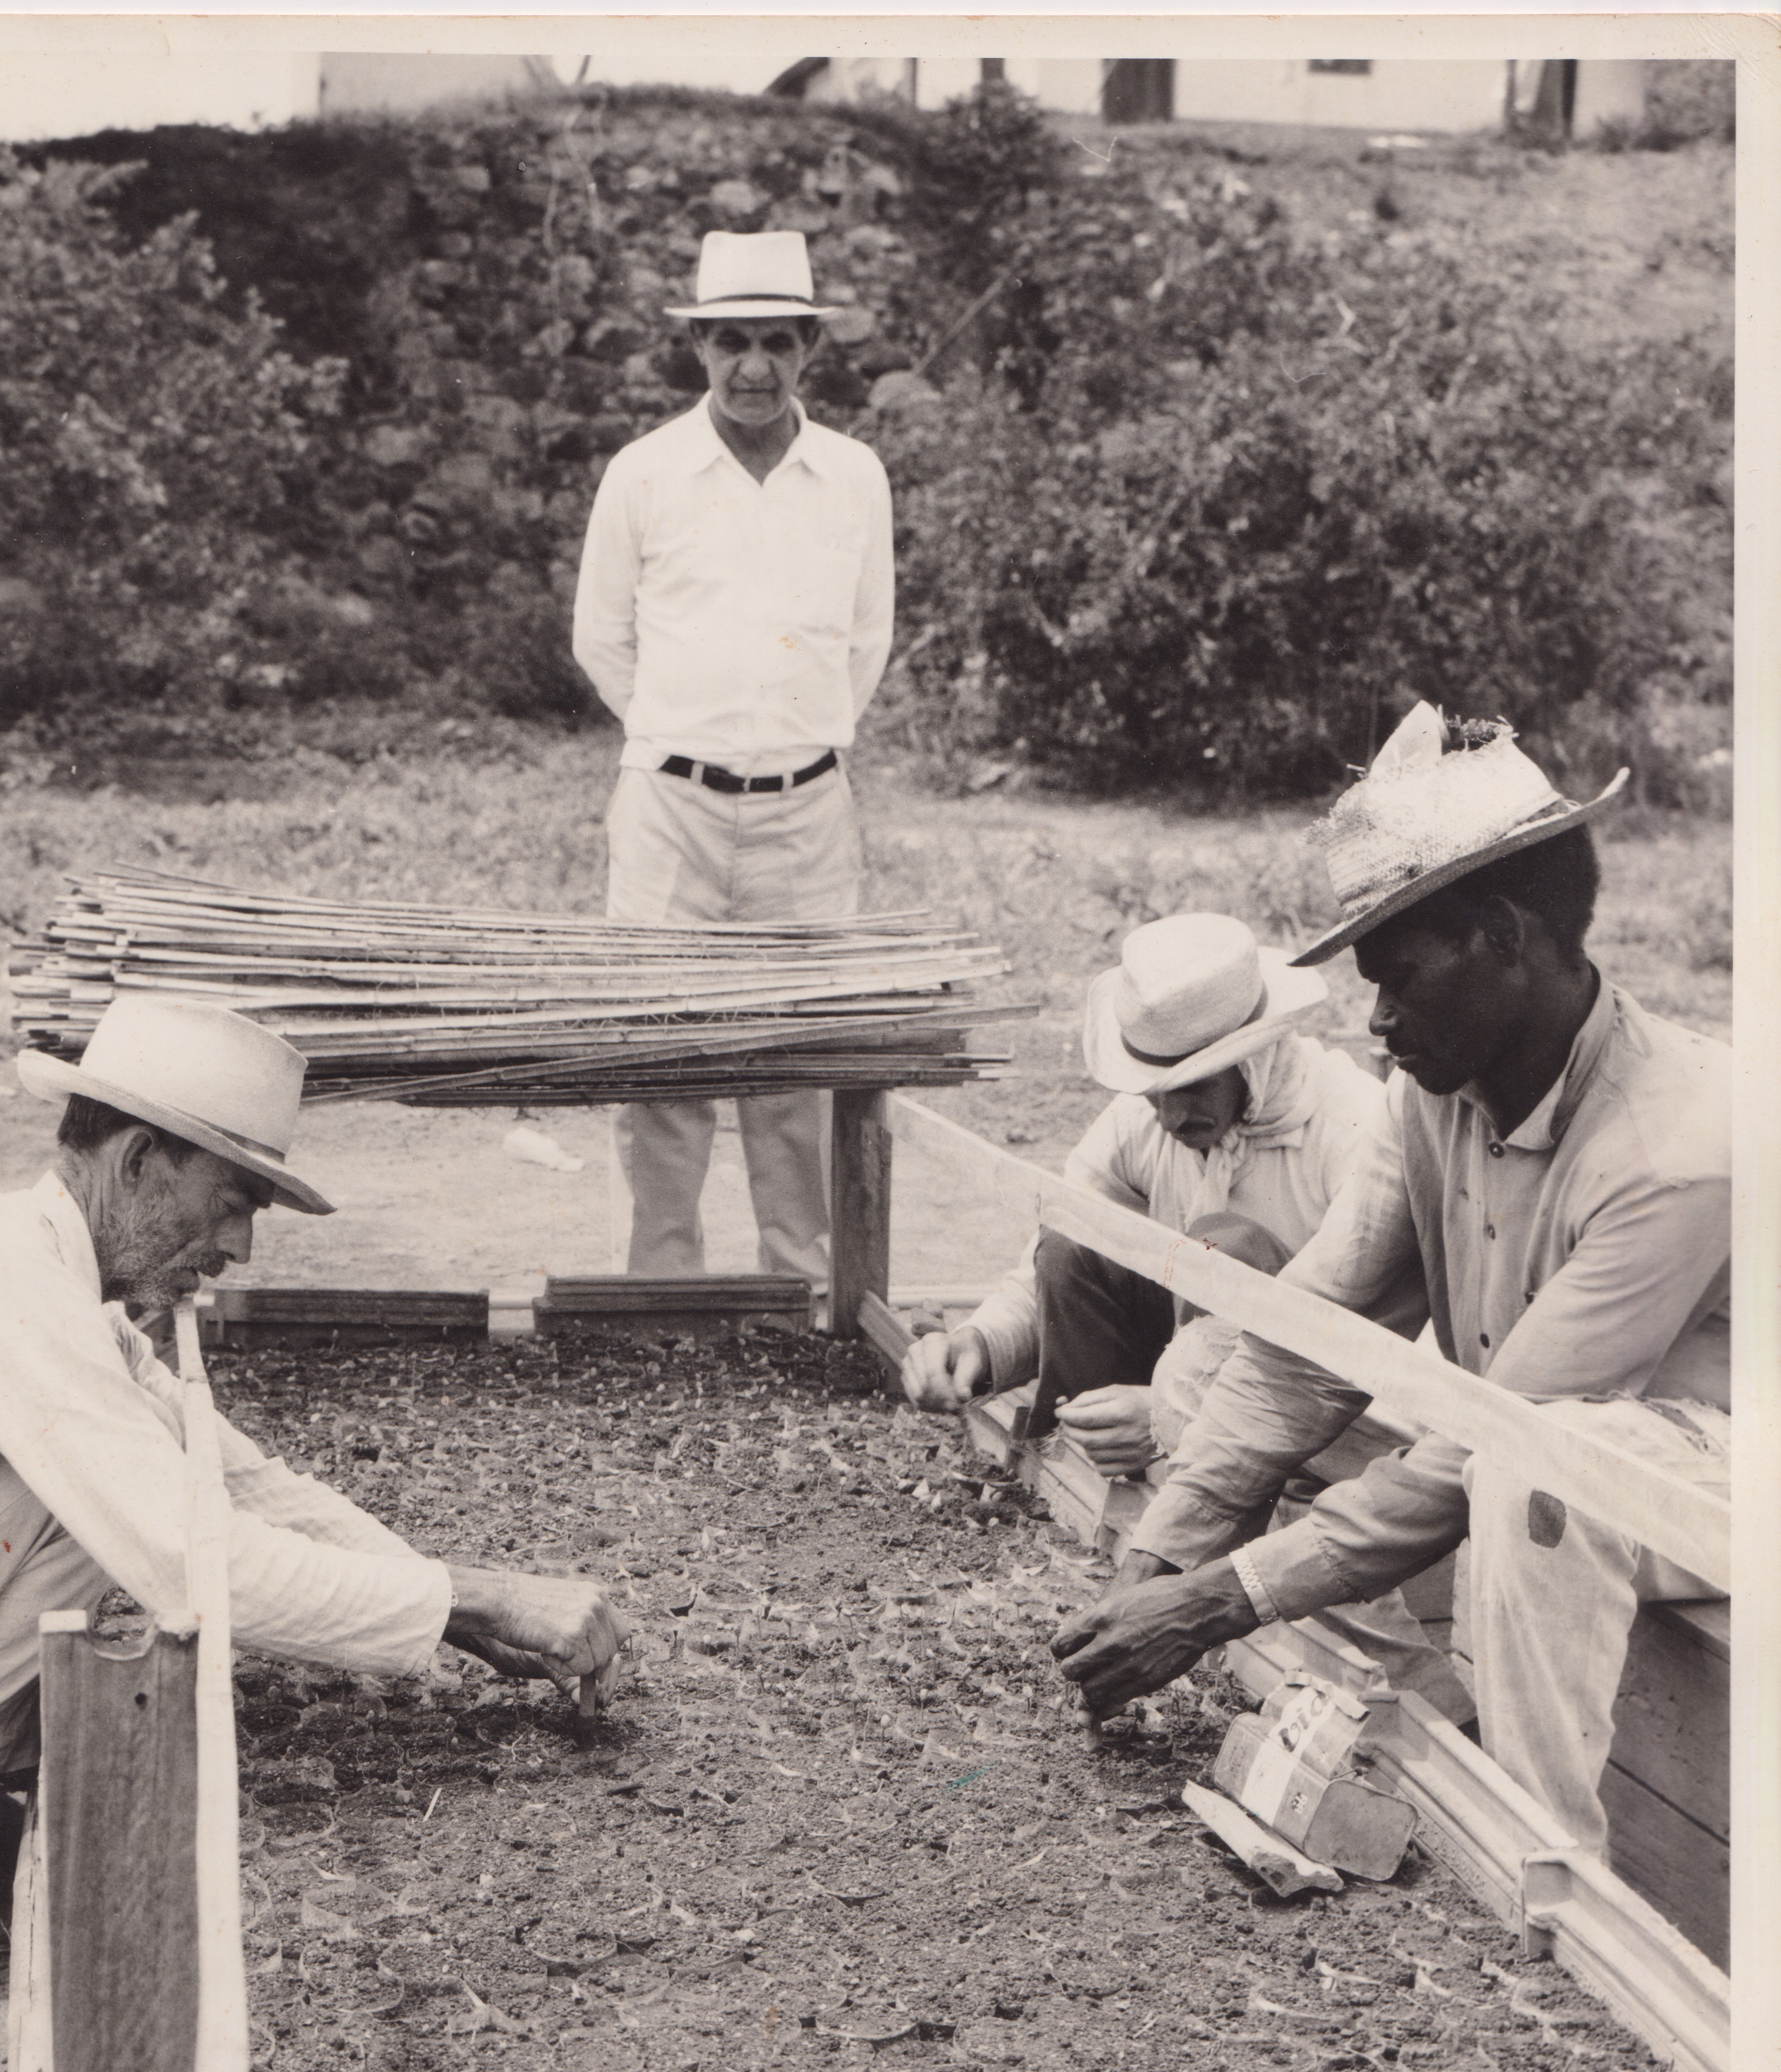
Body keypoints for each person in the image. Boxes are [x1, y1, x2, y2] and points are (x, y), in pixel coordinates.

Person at [1053, 702, 1728, 1856]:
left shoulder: (1681, 1143)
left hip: (1716, 1482)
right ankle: (1434, 1722)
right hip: (1542, 1454)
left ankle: (1543, 1871)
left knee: (1532, 1477)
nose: (1377, 1020)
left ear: (1508, 939)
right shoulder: (1434, 1098)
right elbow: (1310, 1337)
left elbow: (1499, 1438)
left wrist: (1220, 1602)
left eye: (1401, 978)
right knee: (1217, 1357)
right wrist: (1154, 1564)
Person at [0, 994, 628, 1958]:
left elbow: (240, 1481)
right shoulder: (6, 1285)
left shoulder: (53, 1283)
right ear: (135, 1163)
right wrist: (475, 1596)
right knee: (102, 1505)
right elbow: (202, 1564)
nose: (240, 1247)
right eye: (233, 1202)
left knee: (114, 1482)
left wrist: (470, 1612)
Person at [901, 909, 1466, 1710]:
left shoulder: (1350, 1126)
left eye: (1193, 1087)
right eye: (1154, 1091)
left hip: (1336, 1425)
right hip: (1203, 1406)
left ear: (1257, 1056)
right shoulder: (1144, 1120)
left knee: (1227, 1250)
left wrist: (1172, 1414)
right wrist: (982, 1344)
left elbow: (1382, 1365)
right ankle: (1141, 1498)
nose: (1168, 1117)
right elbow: (1054, 1256)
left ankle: (1429, 1718)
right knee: (1079, 1245)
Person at [572, 228, 895, 1289]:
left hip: (808, 814)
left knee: (794, 1063)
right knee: (660, 1054)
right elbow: (601, 638)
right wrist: (685, 743)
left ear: (809, 348)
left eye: (776, 343)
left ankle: (798, 1289)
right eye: (730, 344)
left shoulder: (852, 476)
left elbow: (865, 640)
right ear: (698, 347)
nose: (753, 367)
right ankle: (660, 1290)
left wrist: (787, 754)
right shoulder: (646, 473)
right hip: (669, 808)